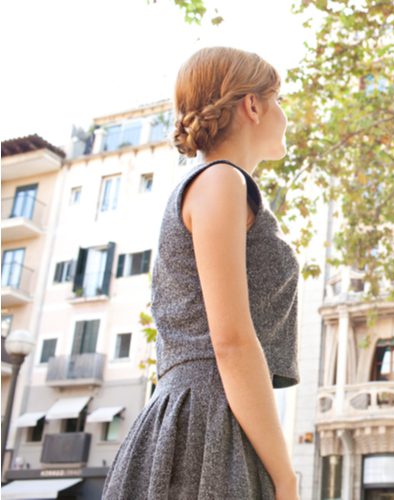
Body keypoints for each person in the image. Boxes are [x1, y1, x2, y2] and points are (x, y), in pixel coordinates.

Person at [102, 46, 300, 500]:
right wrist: (285, 478)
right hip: (211, 426)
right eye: (279, 99)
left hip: (206, 422)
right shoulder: (220, 181)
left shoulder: (213, 183)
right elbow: (230, 341)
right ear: (252, 105)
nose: (285, 115)